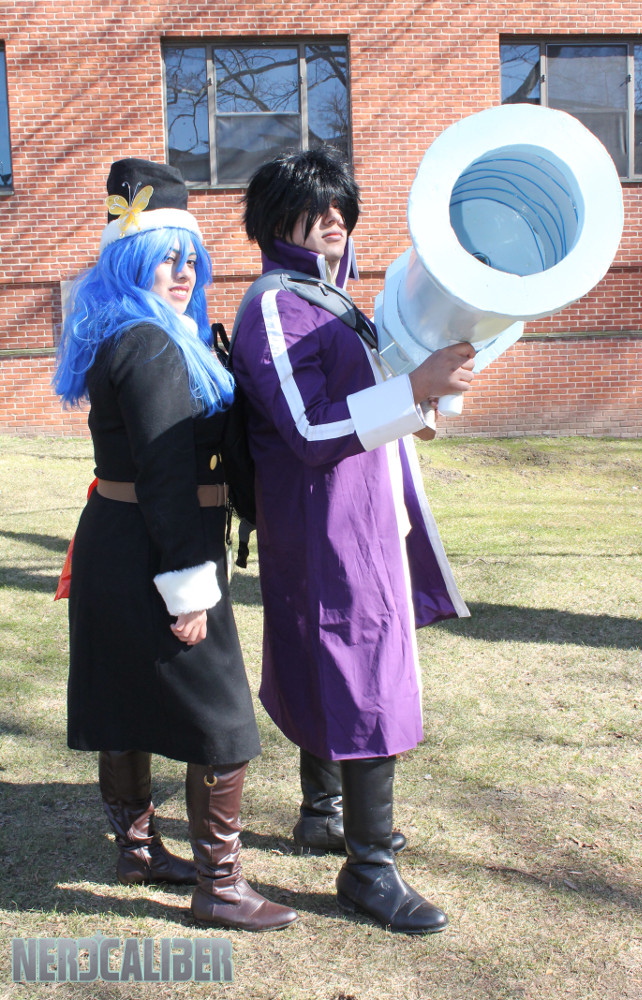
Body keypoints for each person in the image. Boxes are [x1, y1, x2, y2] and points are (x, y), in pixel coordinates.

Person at [231, 148, 475, 935]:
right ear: (275, 220)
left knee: (338, 658)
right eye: (315, 206)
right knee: (365, 670)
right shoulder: (278, 303)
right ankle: (368, 870)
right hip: (327, 520)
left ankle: (322, 812)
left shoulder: (328, 298)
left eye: (340, 204)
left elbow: (362, 400)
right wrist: (413, 389)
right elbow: (307, 429)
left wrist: (418, 402)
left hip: (354, 512)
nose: (333, 218)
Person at [53, 158, 297, 933]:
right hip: (159, 551)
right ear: (129, 260)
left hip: (124, 546)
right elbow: (163, 476)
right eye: (166, 257)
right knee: (223, 724)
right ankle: (220, 887)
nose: (185, 272)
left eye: (191, 257)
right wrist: (189, 589)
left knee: (125, 704)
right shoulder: (152, 344)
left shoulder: (135, 333)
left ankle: (137, 851)